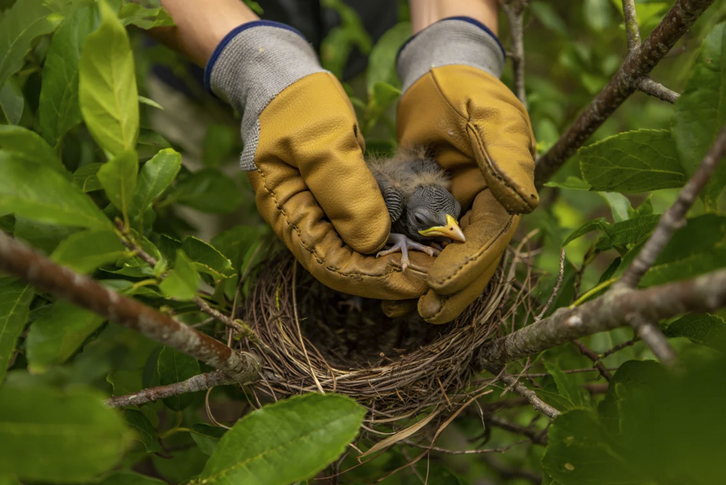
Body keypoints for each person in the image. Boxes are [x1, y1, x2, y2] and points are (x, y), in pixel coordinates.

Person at [154, 0, 538, 324]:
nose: (452, 229)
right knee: (211, 275)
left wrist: (454, 43)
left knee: (344, 199)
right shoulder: (395, 203)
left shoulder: (419, 197)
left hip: (362, 66)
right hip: (195, 80)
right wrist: (251, 60)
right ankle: (219, 334)